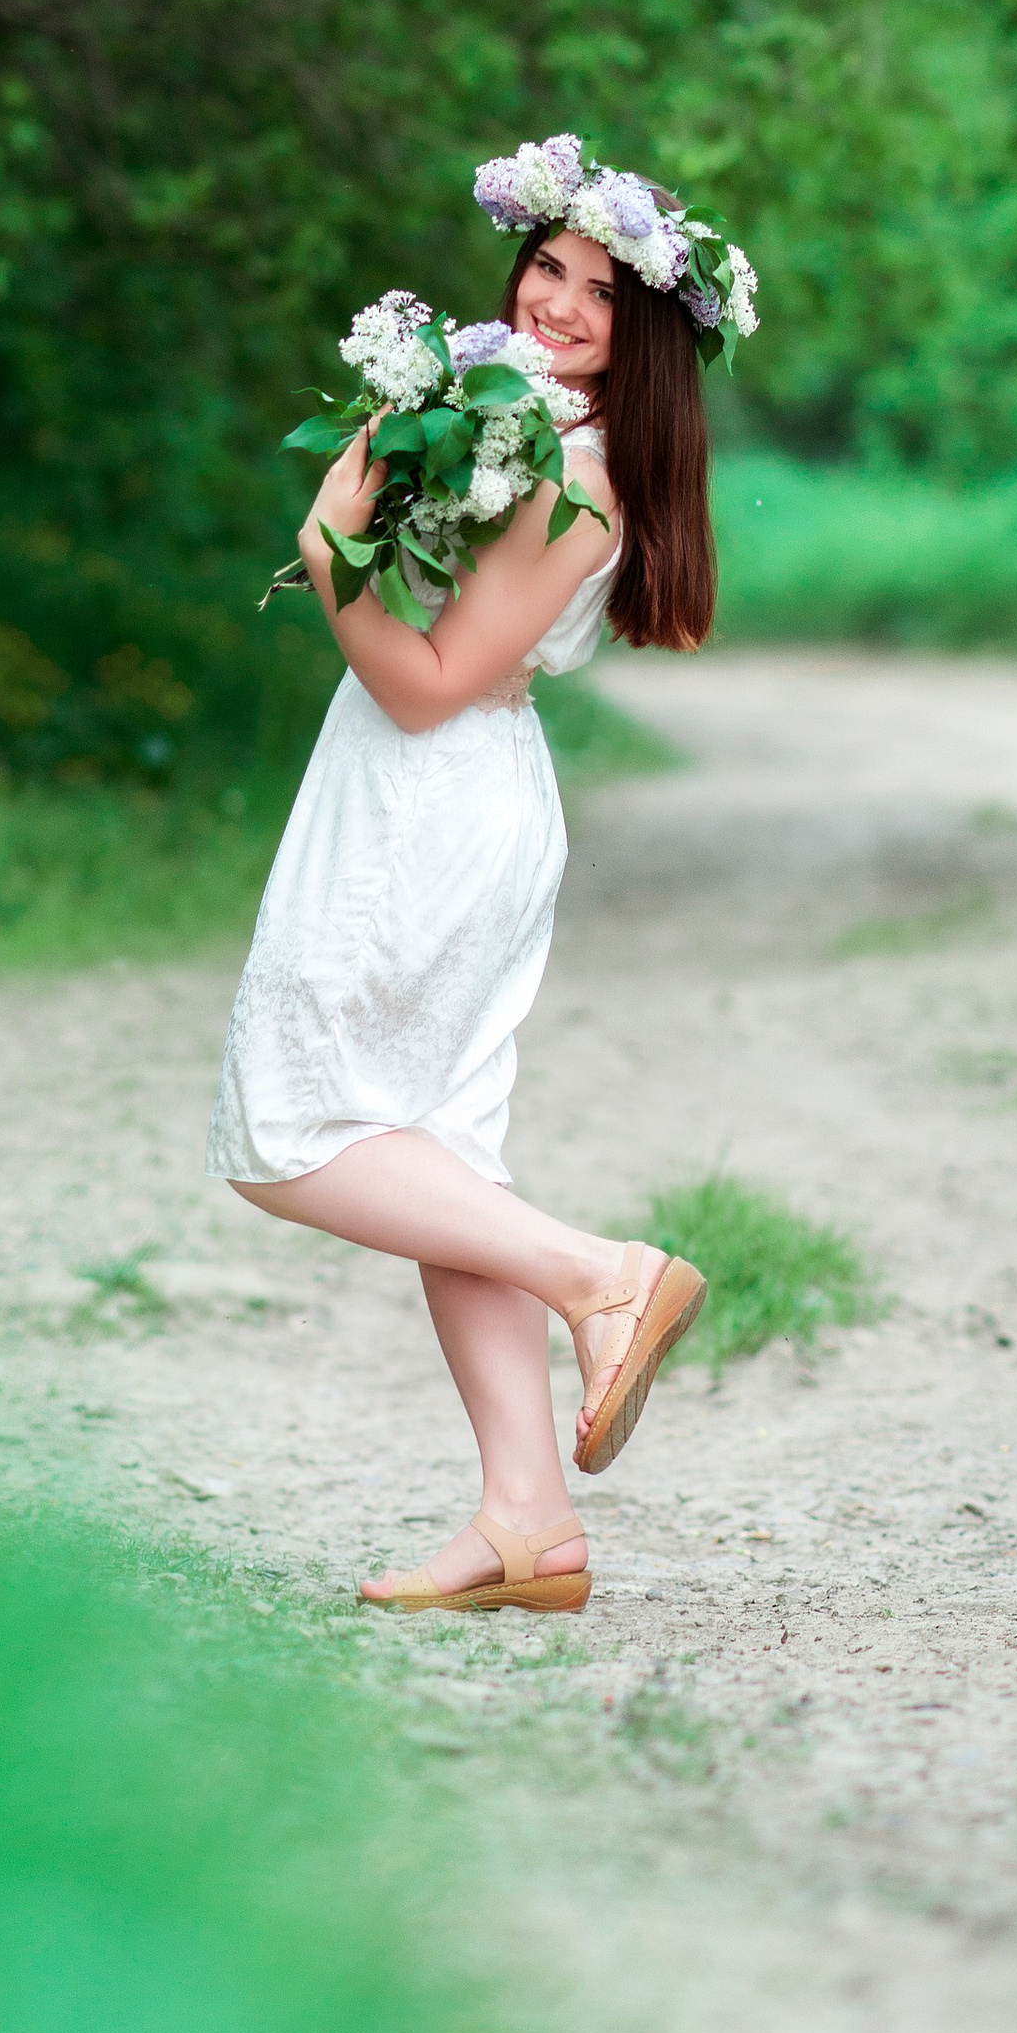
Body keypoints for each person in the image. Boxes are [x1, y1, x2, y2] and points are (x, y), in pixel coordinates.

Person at [208, 136, 750, 1615]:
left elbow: (429, 682)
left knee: (289, 1132)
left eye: (603, 295)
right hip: (447, 800)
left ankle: (602, 1277)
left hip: (427, 804)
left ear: (649, 346)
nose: (563, 303)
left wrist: (328, 536)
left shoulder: (576, 470)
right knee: (438, 1156)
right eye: (549, 268)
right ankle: (529, 1519)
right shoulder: (522, 425)